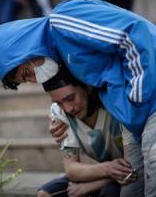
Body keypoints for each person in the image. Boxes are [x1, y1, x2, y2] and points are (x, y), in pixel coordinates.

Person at [0, 0, 156, 196]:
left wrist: (136, 99)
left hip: (149, 103)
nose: (36, 80)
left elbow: (132, 33)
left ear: (23, 48)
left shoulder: (63, 19)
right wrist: (64, 118)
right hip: (137, 121)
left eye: (27, 73)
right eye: (28, 80)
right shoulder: (65, 61)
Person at [37, 66, 141, 197]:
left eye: (70, 98)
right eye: (59, 103)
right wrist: (108, 169)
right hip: (105, 172)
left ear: (88, 87)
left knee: (109, 192)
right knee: (44, 194)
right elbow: (71, 169)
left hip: (132, 170)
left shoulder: (114, 103)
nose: (68, 109)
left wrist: (91, 186)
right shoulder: (60, 113)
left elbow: (130, 168)